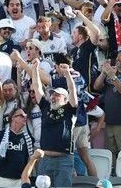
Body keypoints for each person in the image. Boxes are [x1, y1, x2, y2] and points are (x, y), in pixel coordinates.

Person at [32, 55, 79, 187]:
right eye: (52, 94)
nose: (52, 97)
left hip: (64, 159)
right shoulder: (46, 107)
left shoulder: (70, 109)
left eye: (57, 95)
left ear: (65, 98)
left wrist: (68, 74)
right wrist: (35, 68)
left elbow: (72, 91)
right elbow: (37, 86)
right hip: (45, 158)